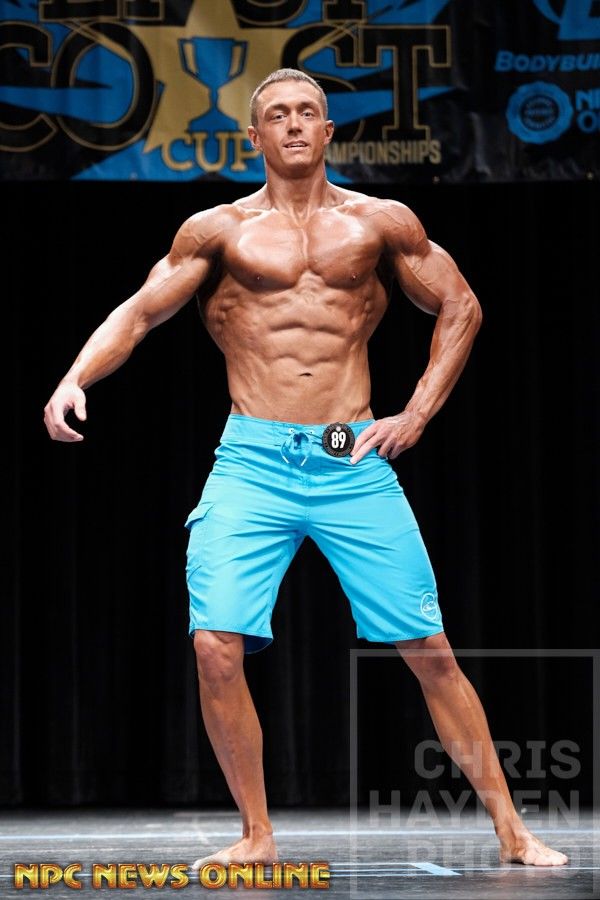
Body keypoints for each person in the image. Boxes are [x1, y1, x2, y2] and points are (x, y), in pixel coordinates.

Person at [44, 68, 568, 869]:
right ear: (253, 136)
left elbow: (461, 305)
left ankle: (513, 830)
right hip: (252, 462)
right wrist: (75, 377)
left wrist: (416, 414)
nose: (293, 124)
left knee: (430, 650)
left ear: (328, 131)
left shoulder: (380, 223)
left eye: (308, 113)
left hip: (350, 459)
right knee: (214, 645)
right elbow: (142, 312)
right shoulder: (216, 231)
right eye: (278, 115)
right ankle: (257, 833)